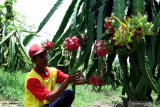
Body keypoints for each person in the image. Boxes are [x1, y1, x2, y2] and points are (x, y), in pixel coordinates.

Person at [24, 43, 88, 107]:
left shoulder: (53, 71)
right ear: (34, 60)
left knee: (69, 94)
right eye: (41, 56)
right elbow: (50, 98)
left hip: (48, 104)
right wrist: (66, 81)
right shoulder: (32, 78)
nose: (45, 58)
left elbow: (74, 80)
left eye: (45, 54)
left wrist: (91, 80)